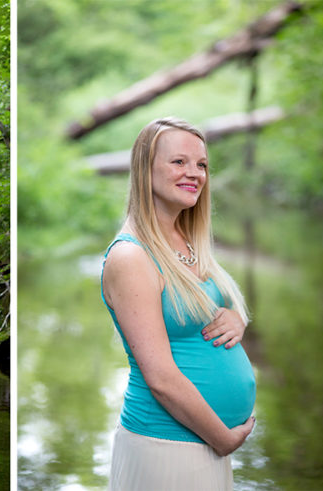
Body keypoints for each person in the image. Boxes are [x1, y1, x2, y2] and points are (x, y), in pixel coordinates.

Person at [100, 117, 256, 490]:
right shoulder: (131, 257)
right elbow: (161, 378)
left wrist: (237, 317)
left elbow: (204, 308)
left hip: (202, 446)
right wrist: (223, 438)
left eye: (201, 164)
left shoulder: (185, 240)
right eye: (179, 162)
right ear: (145, 168)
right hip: (166, 448)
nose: (195, 173)